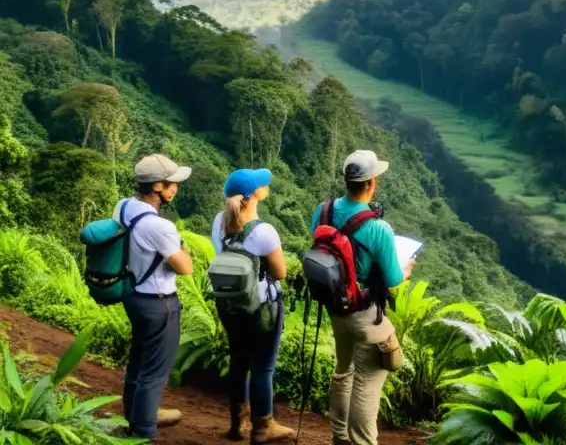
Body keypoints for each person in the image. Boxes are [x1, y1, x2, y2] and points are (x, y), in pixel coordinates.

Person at [310, 150, 415, 445]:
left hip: (335, 308)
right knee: (368, 382)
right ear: (370, 183)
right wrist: (406, 270)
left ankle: (340, 437)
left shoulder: (324, 210)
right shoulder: (379, 228)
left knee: (344, 371)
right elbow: (394, 279)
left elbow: (318, 246)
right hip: (365, 313)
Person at [212, 168, 295, 444]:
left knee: (238, 361)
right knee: (263, 366)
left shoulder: (217, 223)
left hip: (230, 305)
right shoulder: (264, 232)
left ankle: (238, 425)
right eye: (261, 184)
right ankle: (262, 427)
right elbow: (280, 272)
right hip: (263, 309)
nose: (265, 185)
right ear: (253, 196)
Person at [116, 154, 194, 440]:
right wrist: (183, 247)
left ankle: (133, 417)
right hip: (159, 303)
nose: (176, 188)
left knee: (139, 360)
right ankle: (145, 432)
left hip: (132, 295)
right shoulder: (160, 227)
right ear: (158, 186)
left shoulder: (124, 207)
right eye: (172, 183)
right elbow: (186, 268)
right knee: (155, 371)